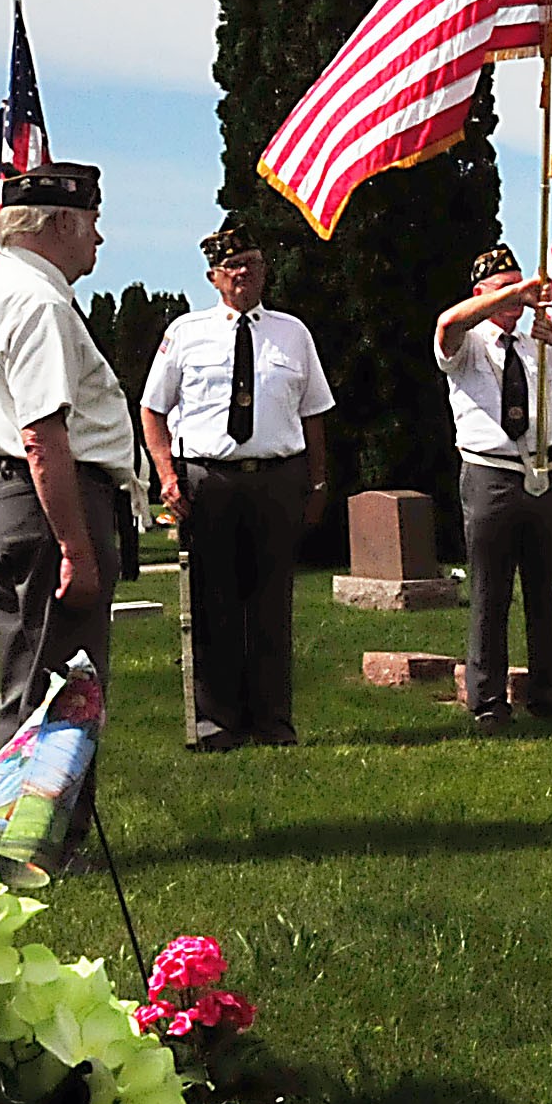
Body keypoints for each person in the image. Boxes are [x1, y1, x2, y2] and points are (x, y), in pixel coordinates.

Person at [0, 162, 136, 866]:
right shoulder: (41, 302)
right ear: (60, 223)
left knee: (29, 676)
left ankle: (2, 842)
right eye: (91, 222)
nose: (99, 238)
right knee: (66, 684)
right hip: (44, 497)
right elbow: (42, 432)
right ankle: (38, 847)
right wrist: (76, 549)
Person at [138, 224, 335, 750]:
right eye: (233, 267)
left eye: (253, 263)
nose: (244, 274)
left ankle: (273, 723)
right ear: (213, 278)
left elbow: (314, 412)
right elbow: (153, 409)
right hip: (210, 481)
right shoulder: (185, 333)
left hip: (277, 479)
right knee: (212, 606)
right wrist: (166, 475)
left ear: (265, 271)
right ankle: (217, 724)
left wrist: (317, 483)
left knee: (272, 607)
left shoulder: (293, 333)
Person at [434, 244, 552, 731]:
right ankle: (488, 702)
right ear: (481, 294)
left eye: (522, 288)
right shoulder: (470, 343)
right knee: (490, 592)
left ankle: (550, 697)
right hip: (490, 472)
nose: (516, 300)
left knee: (545, 590)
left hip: (546, 469)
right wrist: (513, 295)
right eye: (503, 289)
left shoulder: (541, 341)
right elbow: (447, 327)